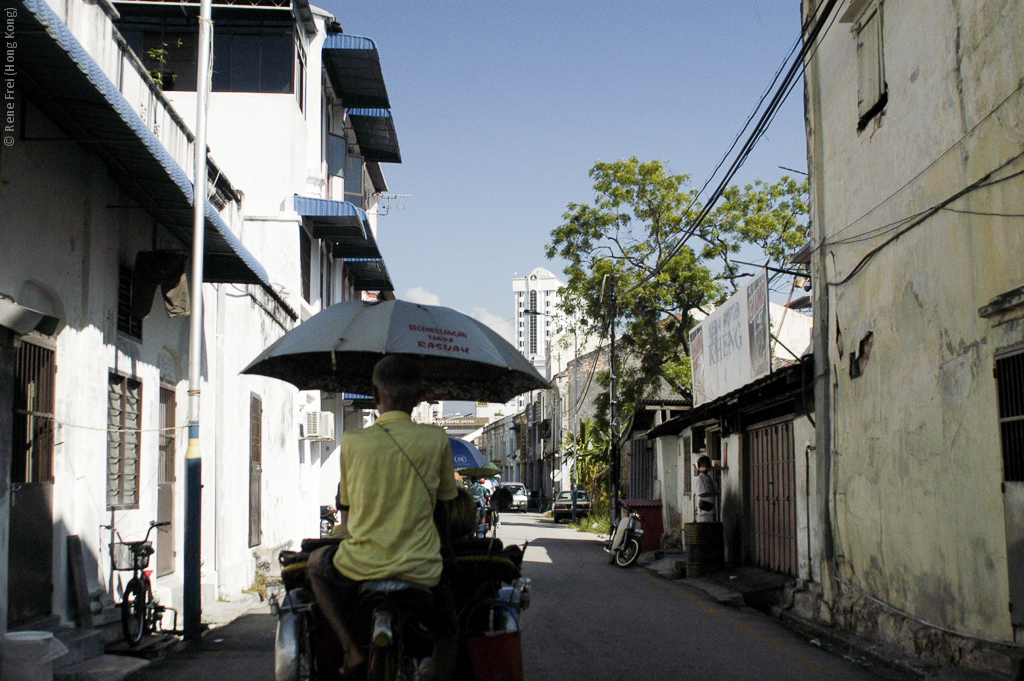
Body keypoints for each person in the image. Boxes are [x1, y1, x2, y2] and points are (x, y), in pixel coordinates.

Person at [307, 355, 458, 678]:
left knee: (313, 566)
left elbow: (346, 512)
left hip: (358, 566)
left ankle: (350, 650)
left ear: (375, 395)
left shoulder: (353, 441)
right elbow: (443, 506)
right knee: (448, 635)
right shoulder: (435, 439)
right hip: (422, 569)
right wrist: (446, 554)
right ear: (420, 398)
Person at [695, 455, 719, 522]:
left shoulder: (707, 477)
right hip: (705, 510)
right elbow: (701, 493)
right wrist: (715, 492)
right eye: (702, 464)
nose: (704, 466)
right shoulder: (700, 478)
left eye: (706, 464)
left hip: (710, 508)